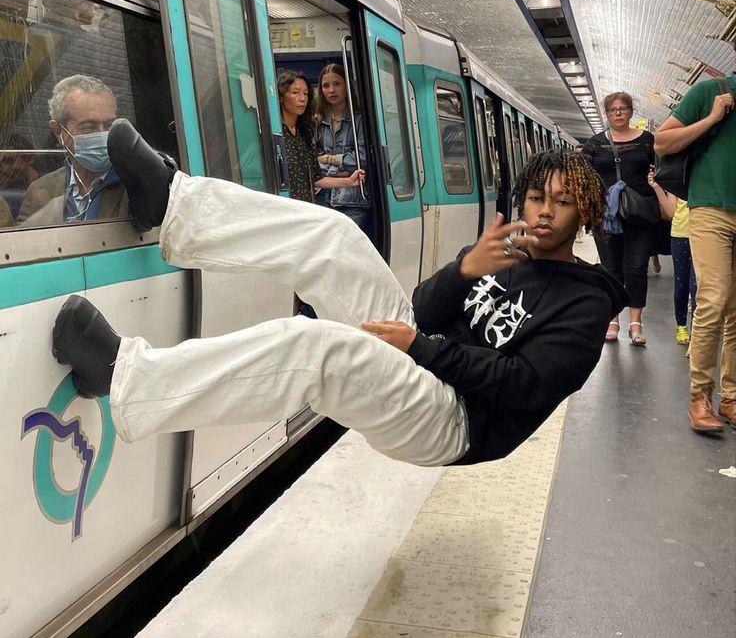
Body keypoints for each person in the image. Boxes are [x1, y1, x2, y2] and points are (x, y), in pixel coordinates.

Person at [51, 130, 627, 467]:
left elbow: (523, 388)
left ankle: (126, 382)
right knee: (335, 236)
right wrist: (463, 270)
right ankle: (173, 204)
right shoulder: (508, 258)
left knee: (316, 347)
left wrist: (420, 349)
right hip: (425, 368)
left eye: (561, 201)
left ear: (587, 212)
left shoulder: (586, 305)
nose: (543, 212)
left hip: (457, 422)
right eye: (534, 197)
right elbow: (419, 312)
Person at [654, 65, 735, 433]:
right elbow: (661, 142)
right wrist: (713, 118)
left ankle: (731, 397)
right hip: (711, 208)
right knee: (714, 298)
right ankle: (700, 395)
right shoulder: (709, 92)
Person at [582, 91, 657, 346]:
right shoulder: (594, 143)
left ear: (630, 111)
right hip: (605, 215)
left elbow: (662, 169)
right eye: (613, 109)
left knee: (636, 269)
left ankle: (636, 323)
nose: (618, 113)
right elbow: (583, 176)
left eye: (623, 108)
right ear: (606, 113)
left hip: (640, 213)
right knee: (611, 270)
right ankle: (613, 319)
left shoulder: (648, 141)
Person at [17, 74, 126, 225]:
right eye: (88, 127)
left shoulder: (135, 182)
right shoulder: (41, 189)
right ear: (58, 131)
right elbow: (24, 244)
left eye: (109, 125)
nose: (102, 135)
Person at [278, 69, 364, 205]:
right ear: (281, 97)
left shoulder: (305, 132)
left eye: (306, 94)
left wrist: (348, 181)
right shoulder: (275, 133)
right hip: (285, 209)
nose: (302, 99)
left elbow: (316, 178)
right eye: (295, 93)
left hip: (308, 208)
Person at [314, 63, 370, 232]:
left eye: (337, 83)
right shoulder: (317, 121)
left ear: (347, 85)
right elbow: (311, 162)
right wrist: (342, 170)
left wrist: (328, 159)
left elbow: (362, 159)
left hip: (352, 201)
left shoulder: (360, 120)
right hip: (321, 197)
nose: (331, 90)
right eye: (326, 85)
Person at [648, 172, 696, 346]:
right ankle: (682, 326)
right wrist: (657, 187)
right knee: (682, 283)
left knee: (697, 286)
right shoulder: (678, 174)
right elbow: (670, 211)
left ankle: (697, 333)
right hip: (681, 234)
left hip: (704, 234)